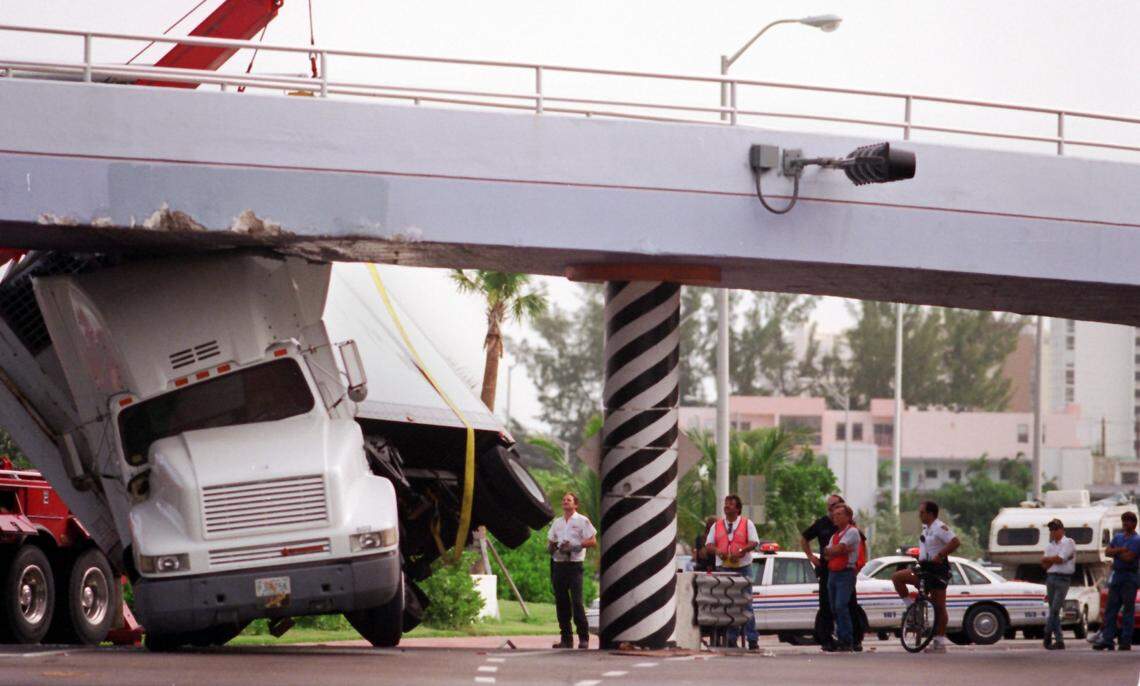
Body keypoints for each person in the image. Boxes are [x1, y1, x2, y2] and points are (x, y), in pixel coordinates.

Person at [891, 500, 959, 654]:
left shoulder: (940, 528)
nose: (919, 515)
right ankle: (911, 608)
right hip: (924, 567)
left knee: (939, 606)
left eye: (922, 512)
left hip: (937, 570)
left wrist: (941, 555)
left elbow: (955, 542)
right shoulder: (926, 529)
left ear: (930, 513)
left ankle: (940, 642)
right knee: (897, 577)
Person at [800, 493, 862, 651]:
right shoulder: (824, 525)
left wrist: (858, 562)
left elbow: (856, 546)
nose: (832, 510)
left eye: (835, 506)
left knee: (847, 604)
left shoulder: (851, 528)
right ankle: (828, 639)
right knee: (829, 605)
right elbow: (814, 543)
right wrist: (811, 556)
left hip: (846, 570)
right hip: (828, 570)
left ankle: (852, 639)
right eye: (830, 507)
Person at [704, 494, 760, 650]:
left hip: (743, 567)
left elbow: (754, 542)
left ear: (737, 508)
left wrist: (742, 550)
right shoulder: (717, 526)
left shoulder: (746, 523)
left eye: (730, 504)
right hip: (724, 567)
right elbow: (708, 544)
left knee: (746, 604)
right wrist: (718, 551)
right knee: (729, 605)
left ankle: (752, 639)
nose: (726, 506)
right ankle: (731, 638)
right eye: (726, 503)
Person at [547, 492, 597, 649]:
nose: (565, 502)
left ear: (575, 504)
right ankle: (566, 639)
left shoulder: (582, 521)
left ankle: (583, 638)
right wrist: (554, 547)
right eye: (563, 500)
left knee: (576, 602)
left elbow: (592, 540)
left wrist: (576, 546)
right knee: (561, 602)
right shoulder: (557, 522)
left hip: (574, 565)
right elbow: (551, 540)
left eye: (568, 500)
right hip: (559, 564)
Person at [1093, 510, 1139, 651]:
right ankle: (1108, 639)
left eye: (1128, 521)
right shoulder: (1118, 537)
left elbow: (1129, 558)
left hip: (1129, 577)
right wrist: (1121, 550)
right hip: (1117, 576)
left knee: (1127, 611)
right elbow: (1107, 551)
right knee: (1110, 610)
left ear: (1134, 523)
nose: (1125, 523)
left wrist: (1116, 552)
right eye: (1124, 520)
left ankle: (1125, 641)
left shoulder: (1137, 540)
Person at [821, 504, 862, 652]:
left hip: (846, 573)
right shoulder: (835, 535)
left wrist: (836, 550)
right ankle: (841, 637)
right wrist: (838, 550)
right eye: (834, 514)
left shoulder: (852, 532)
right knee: (833, 607)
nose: (835, 517)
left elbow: (836, 549)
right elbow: (826, 554)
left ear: (847, 517)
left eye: (839, 514)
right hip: (833, 573)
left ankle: (847, 639)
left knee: (841, 605)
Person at [1040, 518, 1076, 650]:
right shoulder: (1049, 546)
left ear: (1061, 530)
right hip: (1051, 577)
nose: (1053, 532)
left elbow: (1060, 559)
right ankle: (1059, 640)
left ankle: (1047, 635)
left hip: (1063, 578)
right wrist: (1052, 559)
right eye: (1051, 530)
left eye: (1055, 529)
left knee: (1055, 609)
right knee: (1052, 610)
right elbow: (1044, 565)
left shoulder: (1069, 542)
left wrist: (1050, 559)